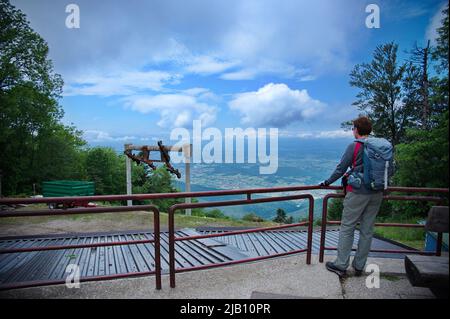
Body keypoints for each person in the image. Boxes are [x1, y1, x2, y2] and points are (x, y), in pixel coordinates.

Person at [320, 116, 384, 277]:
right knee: (367, 230)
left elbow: (341, 169)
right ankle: (359, 266)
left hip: (357, 192)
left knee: (347, 227)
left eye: (353, 128)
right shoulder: (380, 146)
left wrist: (327, 182)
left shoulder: (354, 146)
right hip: (377, 192)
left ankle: (341, 264)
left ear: (356, 129)